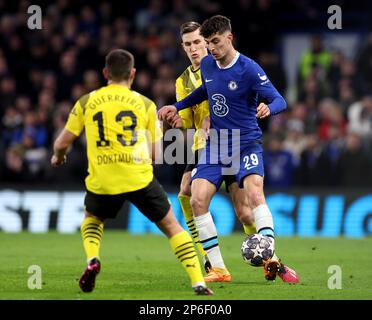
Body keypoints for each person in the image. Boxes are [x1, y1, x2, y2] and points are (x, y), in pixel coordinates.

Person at [51, 49, 213, 295]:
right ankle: (198, 281)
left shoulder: (86, 101)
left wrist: (58, 157)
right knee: (172, 227)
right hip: (138, 176)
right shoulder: (145, 104)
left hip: (103, 179)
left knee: (92, 219)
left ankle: (92, 259)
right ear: (133, 74)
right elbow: (156, 155)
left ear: (105, 73)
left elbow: (62, 143)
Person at [159, 15, 299, 283]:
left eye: (213, 42)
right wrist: (176, 107)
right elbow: (204, 93)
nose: (210, 49)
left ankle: (270, 255)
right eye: (205, 43)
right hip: (216, 144)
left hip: (245, 142)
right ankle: (218, 268)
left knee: (252, 200)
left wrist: (269, 108)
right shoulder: (207, 66)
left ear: (228, 38)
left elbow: (279, 98)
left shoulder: (248, 68)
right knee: (195, 197)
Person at [170, 21, 255, 281]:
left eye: (198, 42)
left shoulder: (222, 65)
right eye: (188, 45)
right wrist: (173, 119)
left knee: (244, 211)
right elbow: (186, 120)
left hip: (231, 141)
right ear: (183, 48)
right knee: (186, 192)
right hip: (203, 145)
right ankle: (208, 257)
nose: (194, 49)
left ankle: (269, 256)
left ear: (206, 42)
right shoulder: (183, 80)